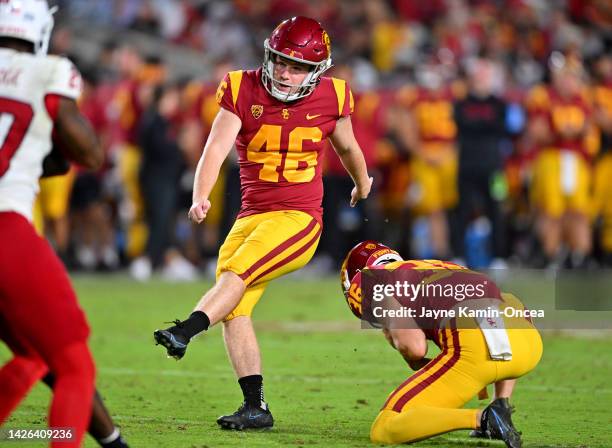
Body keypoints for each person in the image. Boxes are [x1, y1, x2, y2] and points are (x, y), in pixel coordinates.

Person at [154, 16, 372, 430]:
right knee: (235, 306)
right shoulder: (242, 87)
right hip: (251, 215)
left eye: (297, 66)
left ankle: (186, 329)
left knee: (236, 273)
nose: (285, 73)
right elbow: (215, 148)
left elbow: (349, 148)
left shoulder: (334, 96)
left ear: (317, 70)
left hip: (298, 218)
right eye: (279, 61)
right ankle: (255, 406)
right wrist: (201, 193)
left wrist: (363, 184)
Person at [0, 2, 127, 447]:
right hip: (6, 232)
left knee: (33, 356)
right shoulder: (48, 70)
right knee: (75, 366)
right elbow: (90, 154)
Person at [340, 241, 543, 447]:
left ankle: (483, 419)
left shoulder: (372, 280)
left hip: (476, 345)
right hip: (528, 341)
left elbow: (415, 347)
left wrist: (398, 343)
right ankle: (500, 404)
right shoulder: (437, 266)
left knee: (385, 427)